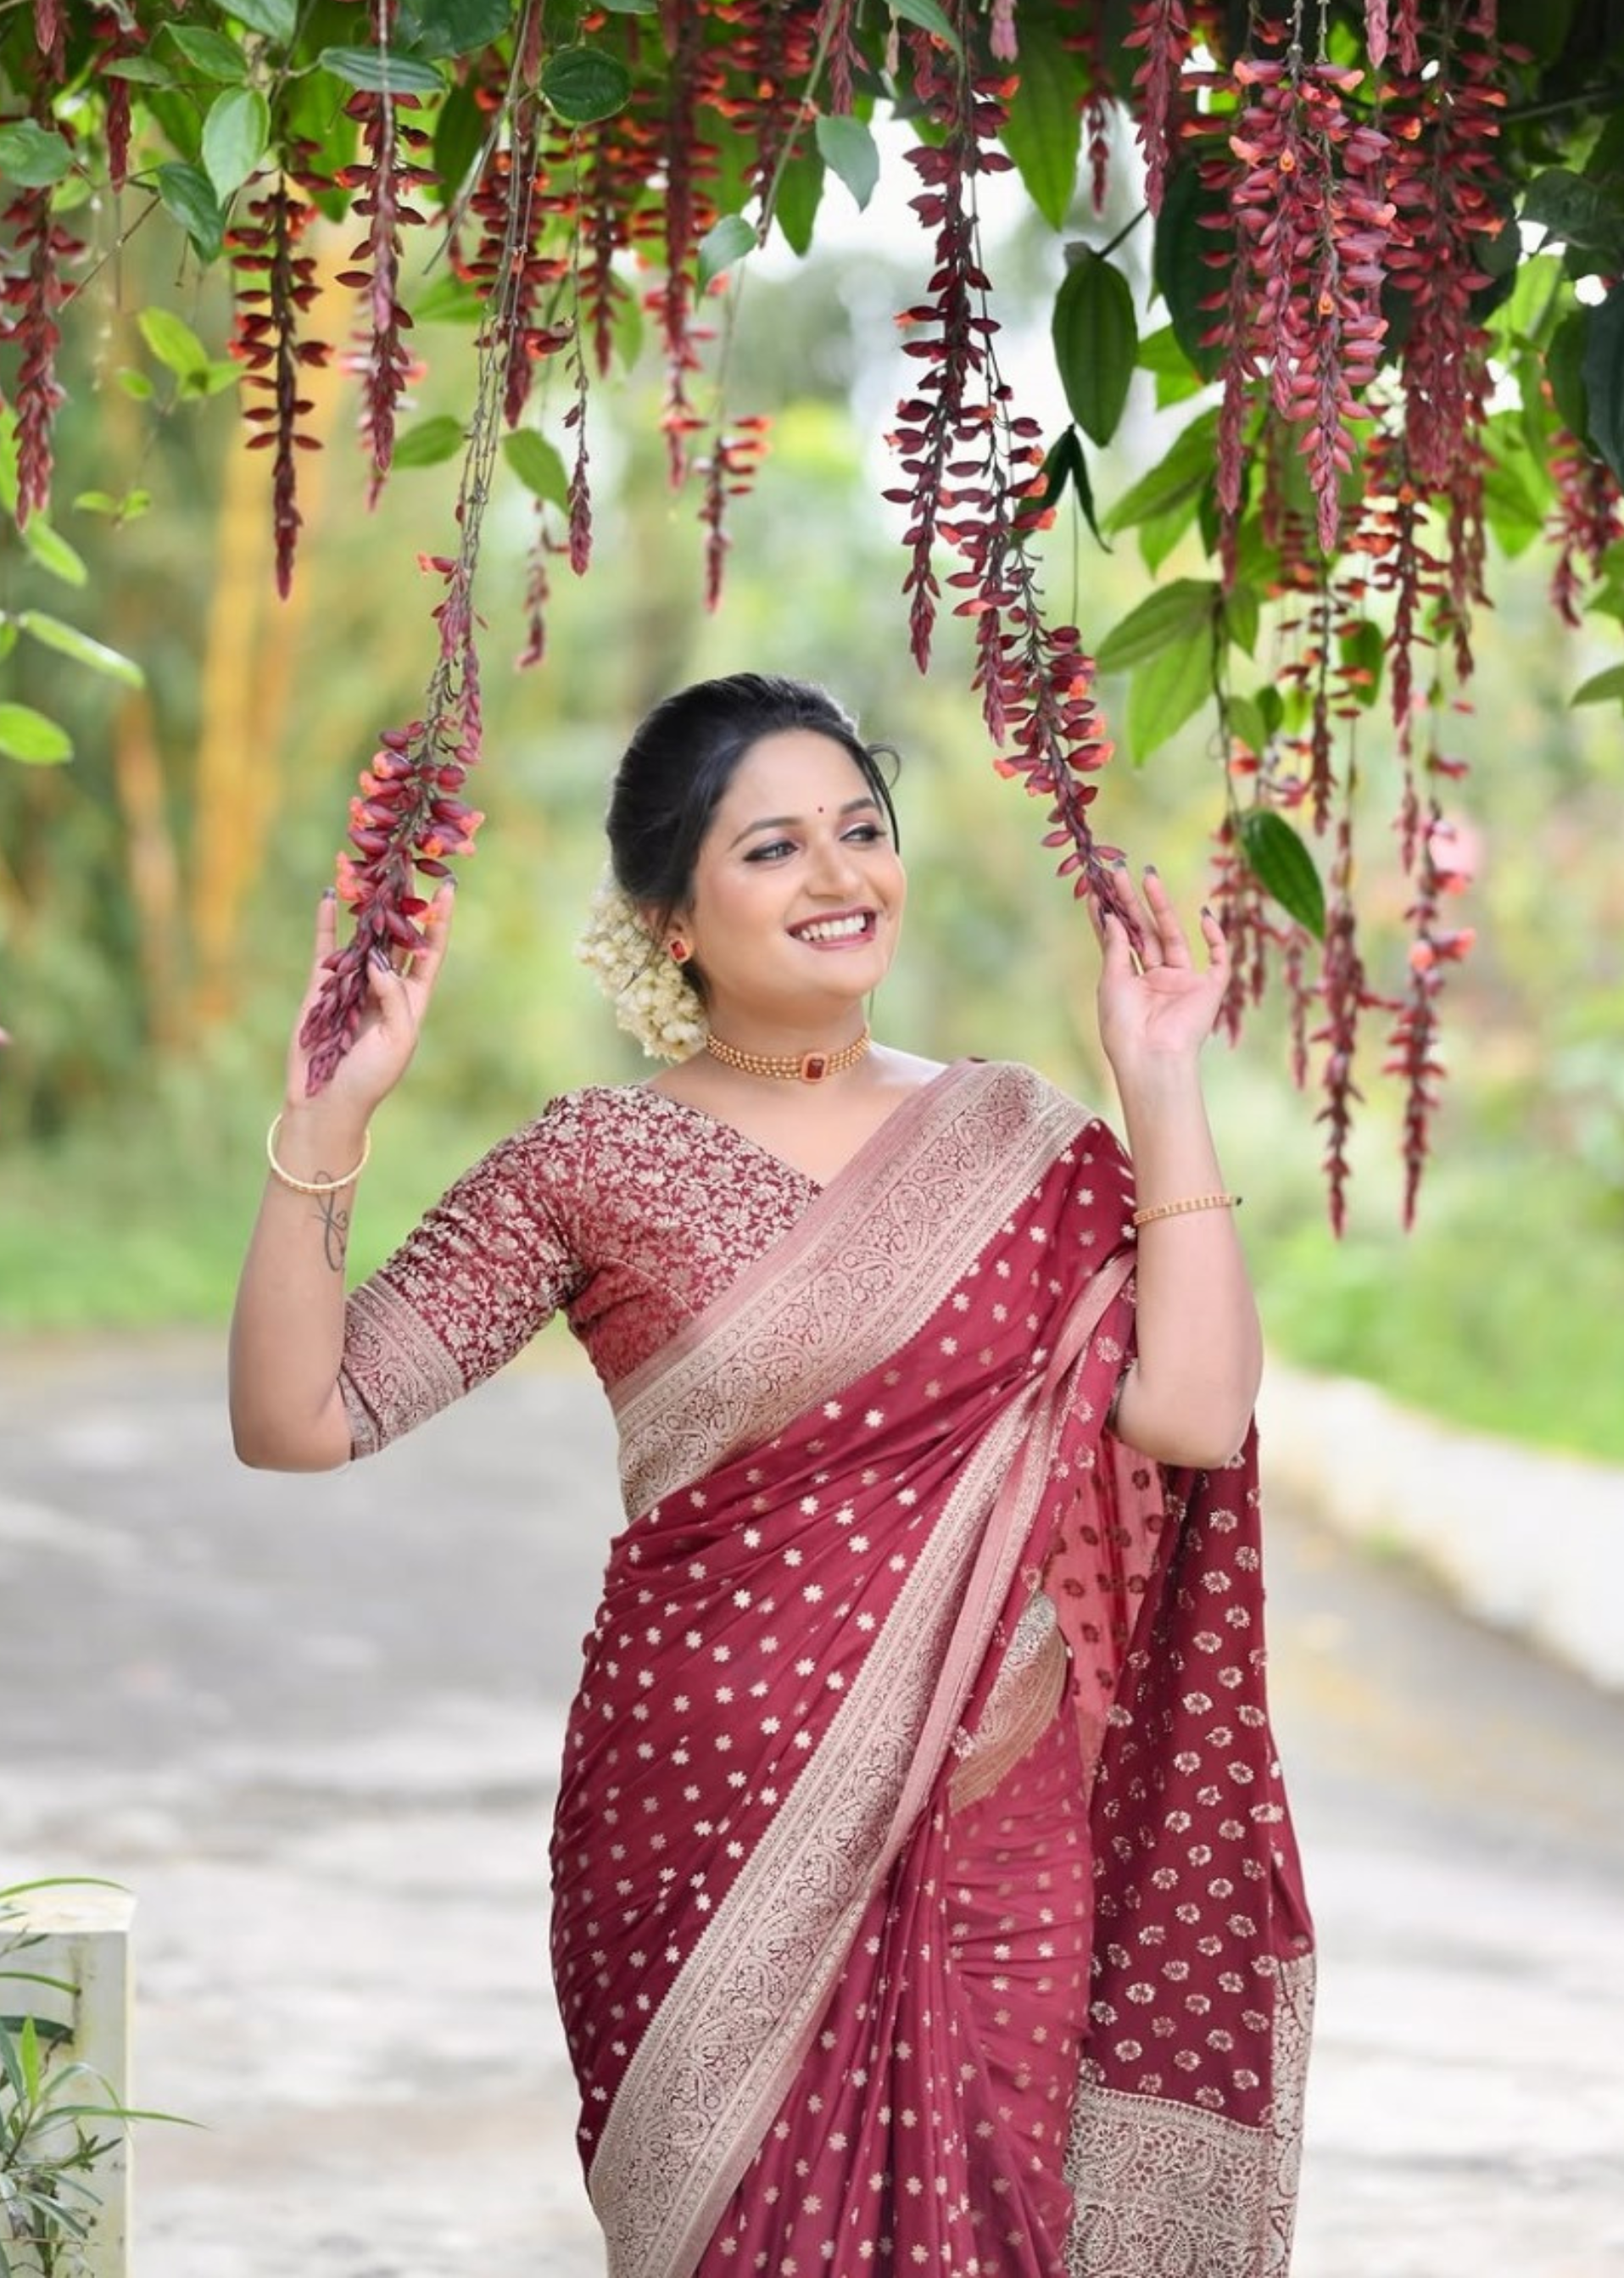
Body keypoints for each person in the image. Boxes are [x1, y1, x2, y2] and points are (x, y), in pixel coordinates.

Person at [229, 672, 1314, 2277]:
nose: (837, 877)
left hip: (988, 1825)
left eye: (861, 832)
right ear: (671, 917)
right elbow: (298, 1414)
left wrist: (1160, 1085)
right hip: (690, 1834)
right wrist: (331, 1108)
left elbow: (1195, 1416)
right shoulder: (587, 1162)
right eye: (773, 848)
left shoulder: (1027, 1138)